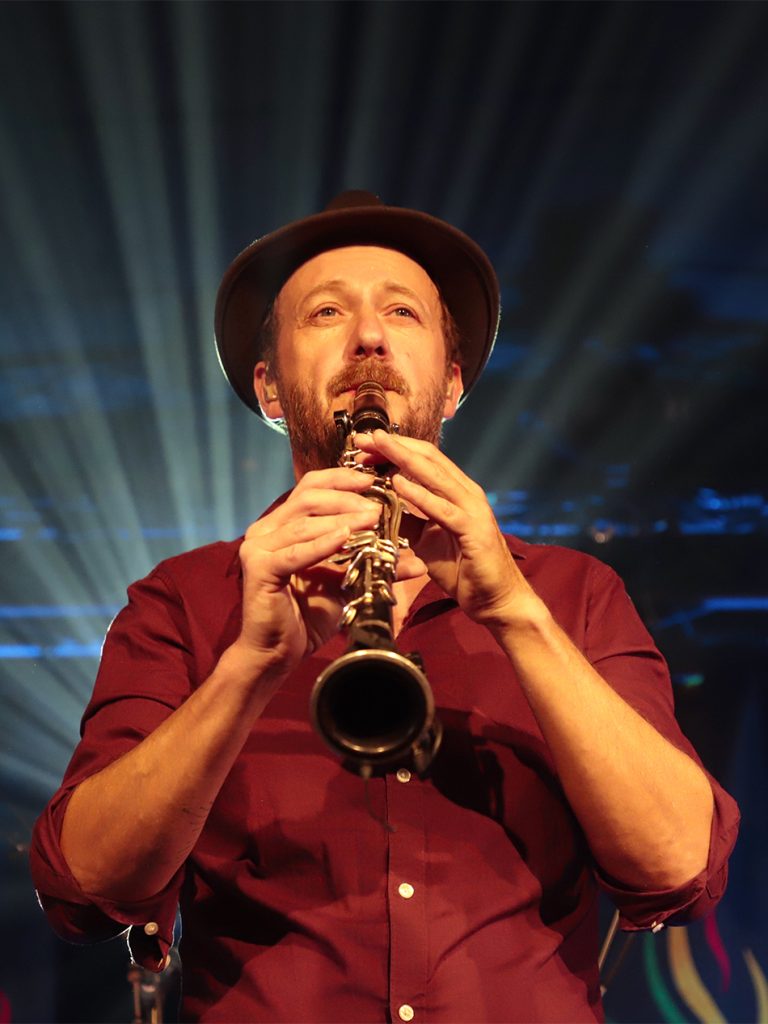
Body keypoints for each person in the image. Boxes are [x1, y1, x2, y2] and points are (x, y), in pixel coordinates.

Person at [31, 192, 739, 1023]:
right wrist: (248, 668)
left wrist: (515, 612)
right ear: (269, 388)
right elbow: (84, 886)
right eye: (326, 312)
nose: (368, 336)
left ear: (451, 385)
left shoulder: (573, 594)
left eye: (402, 312)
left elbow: (680, 867)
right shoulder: (183, 602)